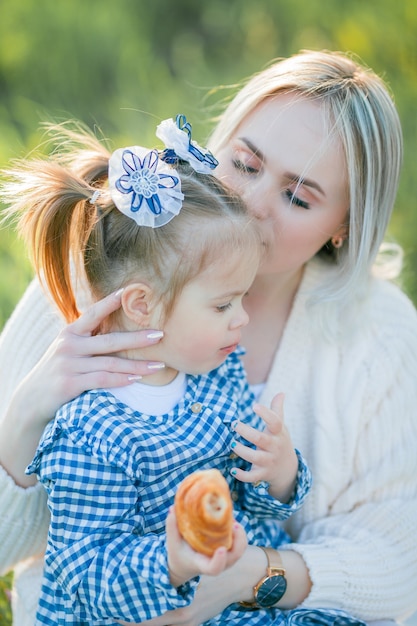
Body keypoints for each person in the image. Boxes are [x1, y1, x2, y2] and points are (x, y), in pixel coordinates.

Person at [0, 49, 416, 626]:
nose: (251, 204)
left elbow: (397, 564)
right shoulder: (109, 273)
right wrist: (24, 419)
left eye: (297, 197)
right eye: (245, 164)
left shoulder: (383, 334)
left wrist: (245, 579)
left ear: (344, 226)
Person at [1, 117, 313, 625]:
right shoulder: (92, 430)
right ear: (142, 306)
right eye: (222, 305)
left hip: (238, 605)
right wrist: (172, 561)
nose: (242, 318)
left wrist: (279, 475)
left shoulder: (218, 374)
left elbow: (250, 507)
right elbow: (84, 576)